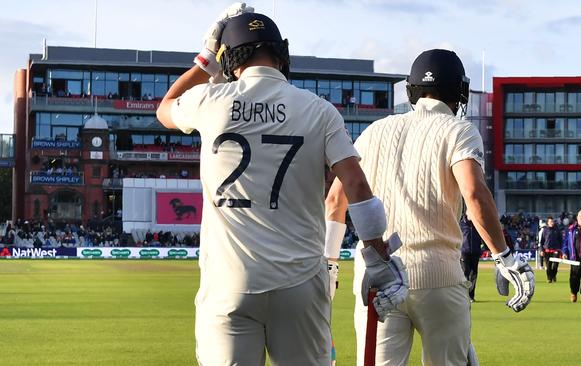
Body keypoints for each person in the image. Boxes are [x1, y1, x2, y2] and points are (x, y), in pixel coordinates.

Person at [156, 4, 407, 365]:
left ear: (230, 60)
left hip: (230, 283)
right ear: (281, 54)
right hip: (300, 282)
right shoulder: (319, 110)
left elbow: (165, 107)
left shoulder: (209, 100)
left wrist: (206, 59)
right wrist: (376, 252)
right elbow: (354, 181)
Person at [325, 49, 535, 366]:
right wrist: (503, 255)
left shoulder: (374, 131)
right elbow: (475, 195)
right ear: (459, 92)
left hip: (379, 278)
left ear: (411, 90)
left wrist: (329, 265)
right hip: (437, 275)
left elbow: (334, 201)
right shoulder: (459, 130)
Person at [460, 212, 483, 302]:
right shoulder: (461, 224)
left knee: (473, 274)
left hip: (475, 252)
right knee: (465, 274)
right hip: (464, 252)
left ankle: (471, 296)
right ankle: (464, 295)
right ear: (466, 214)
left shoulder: (478, 224)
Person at [540, 216, 563, 282]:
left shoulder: (557, 230)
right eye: (550, 222)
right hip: (547, 251)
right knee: (548, 266)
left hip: (556, 250)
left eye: (552, 221)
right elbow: (541, 241)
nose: (552, 223)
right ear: (548, 223)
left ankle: (553, 276)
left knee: (555, 266)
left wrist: (560, 250)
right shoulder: (545, 230)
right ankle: (549, 278)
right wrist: (542, 250)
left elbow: (561, 240)